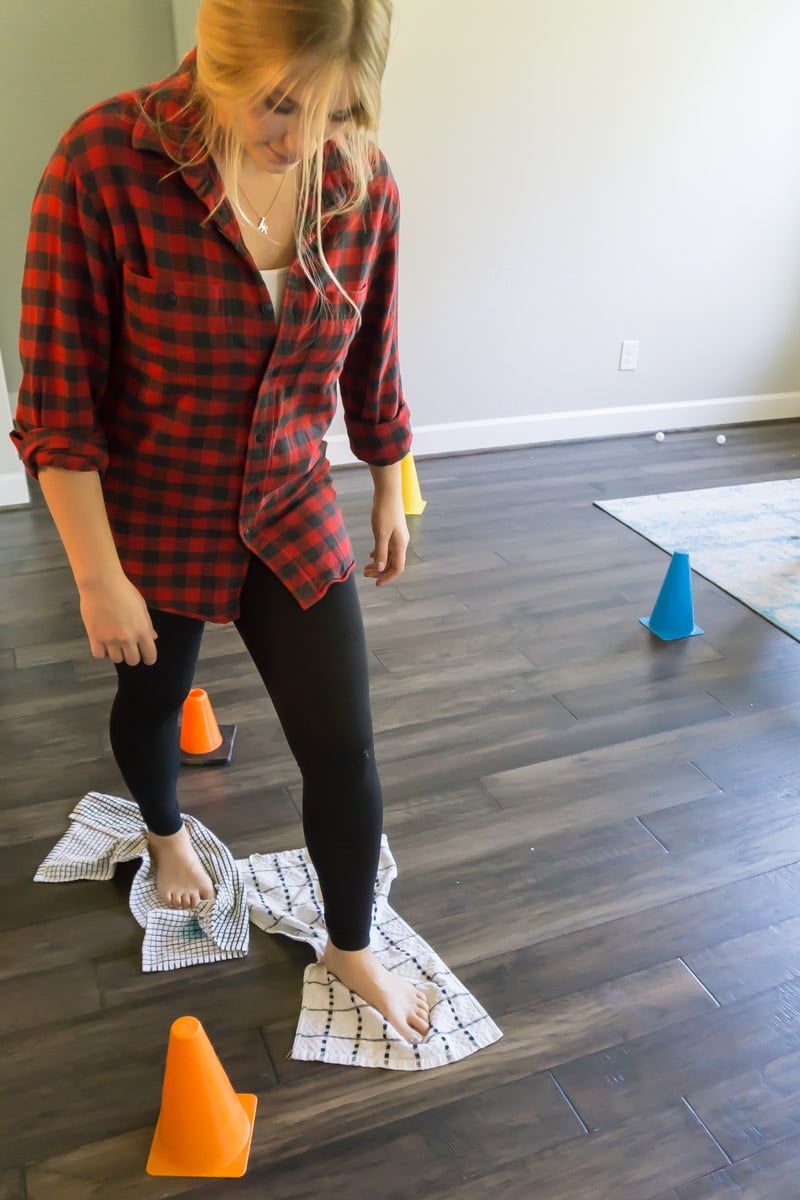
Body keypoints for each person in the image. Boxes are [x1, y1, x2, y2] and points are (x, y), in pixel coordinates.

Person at [11, 0, 430, 1045]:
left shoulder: (356, 176)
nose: (304, 143)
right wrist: (97, 575)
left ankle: (348, 942)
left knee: (346, 751)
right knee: (152, 700)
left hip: (289, 505)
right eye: (281, 106)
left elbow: (372, 350)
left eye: (333, 112)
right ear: (217, 57)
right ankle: (162, 833)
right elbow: (57, 405)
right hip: (152, 513)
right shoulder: (103, 163)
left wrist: (387, 480)